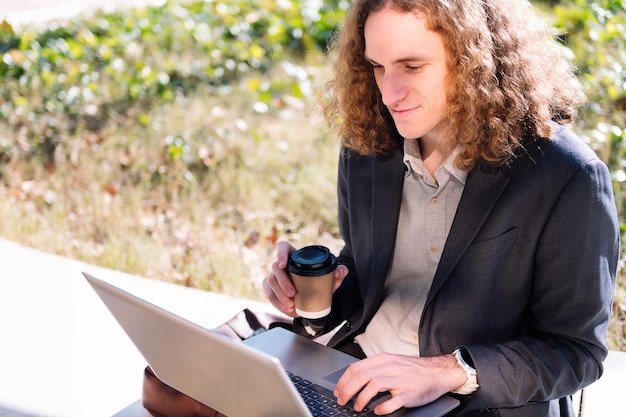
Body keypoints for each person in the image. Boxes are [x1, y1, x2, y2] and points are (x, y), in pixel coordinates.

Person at [262, 0, 620, 416]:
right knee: (186, 388)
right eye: (377, 66)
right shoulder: (368, 145)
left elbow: (576, 352)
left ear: (475, 60)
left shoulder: (567, 175)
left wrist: (445, 371)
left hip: (476, 404)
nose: (389, 93)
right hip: (358, 379)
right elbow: (365, 268)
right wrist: (315, 296)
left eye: (412, 66)